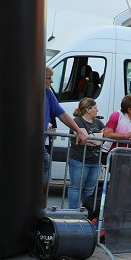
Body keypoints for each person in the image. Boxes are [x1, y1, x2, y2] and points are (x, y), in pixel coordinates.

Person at [43, 65, 88, 207]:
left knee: (44, 183)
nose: (51, 82)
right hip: (31, 146)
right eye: (49, 78)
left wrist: (78, 130)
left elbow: (62, 114)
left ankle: (40, 209)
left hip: (42, 147)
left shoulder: (48, 93)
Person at [67, 98, 105, 211]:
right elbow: (85, 139)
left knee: (89, 189)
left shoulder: (98, 122)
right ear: (88, 109)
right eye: (94, 108)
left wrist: (92, 136)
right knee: (76, 187)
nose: (97, 110)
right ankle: (73, 212)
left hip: (95, 160)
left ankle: (86, 213)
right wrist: (98, 137)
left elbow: (105, 136)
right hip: (79, 159)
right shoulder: (77, 121)